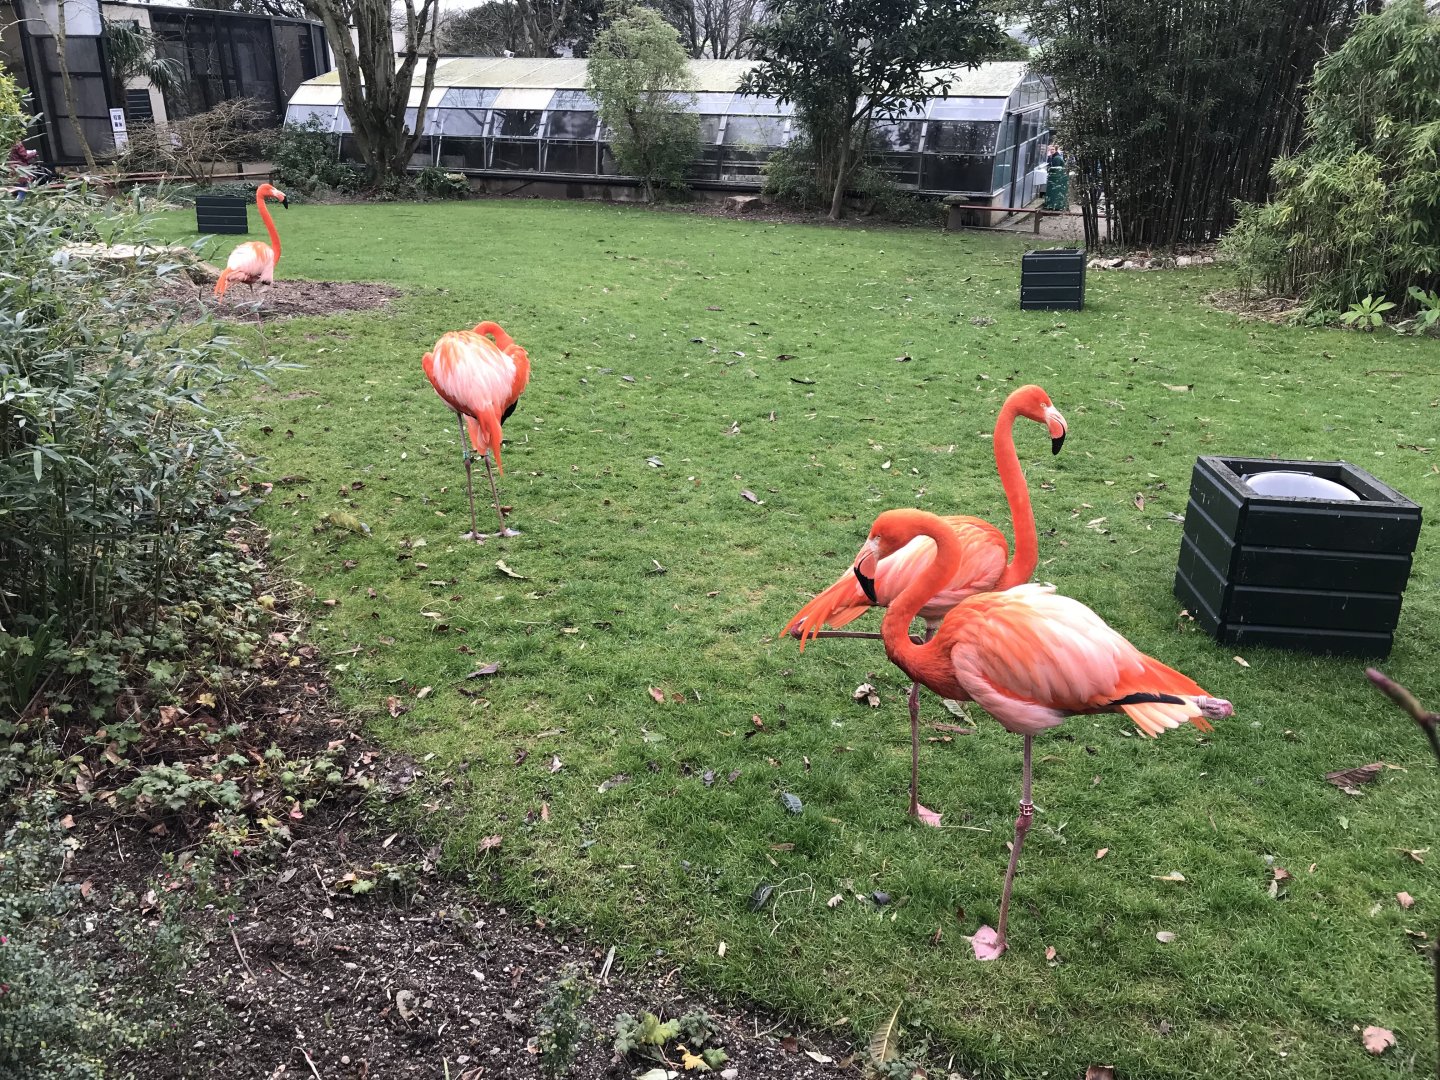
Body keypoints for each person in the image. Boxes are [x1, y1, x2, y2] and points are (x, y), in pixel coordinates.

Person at [1043, 144, 1069, 212]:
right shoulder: (1055, 157)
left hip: (1057, 178)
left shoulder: (1056, 158)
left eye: (1053, 149)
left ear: (1056, 150)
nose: (1051, 151)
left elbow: (1055, 168)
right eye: (1050, 149)